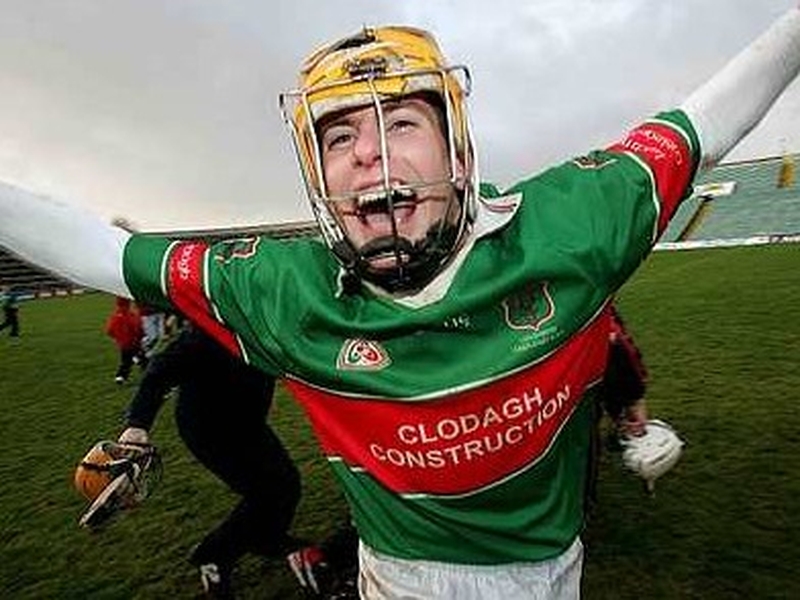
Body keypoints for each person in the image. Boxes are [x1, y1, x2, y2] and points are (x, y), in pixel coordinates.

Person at [1, 7, 799, 598]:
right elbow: (106, 252)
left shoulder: (575, 222)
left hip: (557, 568)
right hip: (394, 579)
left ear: (458, 147)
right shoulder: (282, 289)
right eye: (339, 136)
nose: (368, 153)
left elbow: (706, 123)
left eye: (401, 120)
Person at [116, 322, 302, 598]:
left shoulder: (266, 320)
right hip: (209, 428)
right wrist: (138, 424)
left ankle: (267, 537)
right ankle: (213, 555)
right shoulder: (210, 330)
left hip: (246, 422)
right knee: (268, 491)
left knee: (286, 484)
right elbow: (160, 370)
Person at [105, 296, 143, 384]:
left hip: (123, 343)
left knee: (125, 361)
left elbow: (109, 330)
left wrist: (117, 338)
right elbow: (136, 327)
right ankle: (140, 364)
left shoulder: (115, 315)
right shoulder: (131, 315)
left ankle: (120, 376)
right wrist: (140, 335)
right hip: (134, 342)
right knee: (143, 358)